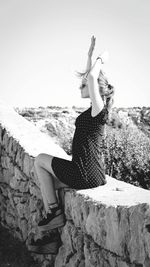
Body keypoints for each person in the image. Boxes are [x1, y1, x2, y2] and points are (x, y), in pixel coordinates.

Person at [28, 36, 114, 254]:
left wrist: (101, 59)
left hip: (84, 174)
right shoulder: (93, 111)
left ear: (97, 89)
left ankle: (54, 216)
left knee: (40, 160)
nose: (80, 86)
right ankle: (51, 238)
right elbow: (90, 76)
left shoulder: (99, 109)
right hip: (89, 173)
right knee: (46, 181)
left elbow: (93, 76)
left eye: (84, 85)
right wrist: (88, 55)